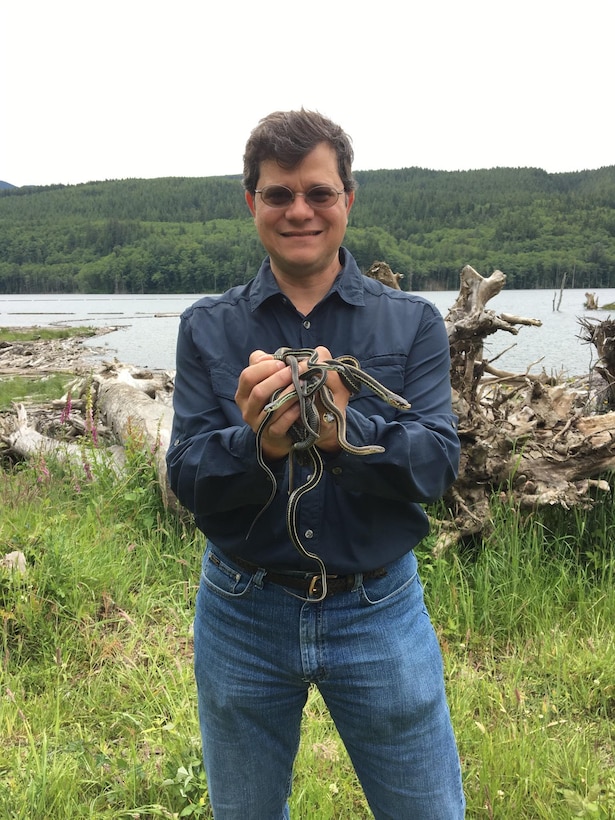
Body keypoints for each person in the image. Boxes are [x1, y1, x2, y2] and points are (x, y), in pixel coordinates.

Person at [166, 109, 465, 819]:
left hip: (379, 610)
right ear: (252, 204)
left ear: (347, 200)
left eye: (318, 192)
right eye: (278, 194)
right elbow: (187, 477)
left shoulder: (411, 323)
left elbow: (437, 465)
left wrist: (343, 432)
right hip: (241, 610)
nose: (299, 210)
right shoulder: (206, 327)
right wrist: (258, 445)